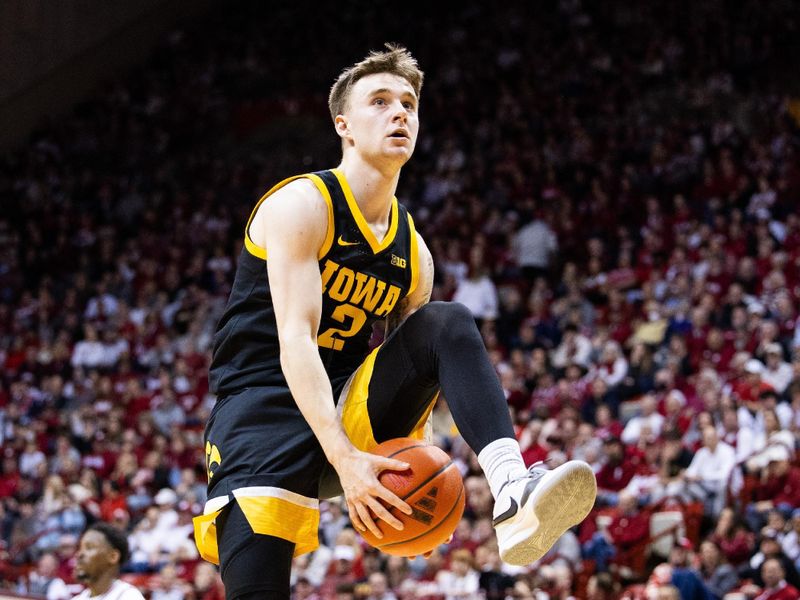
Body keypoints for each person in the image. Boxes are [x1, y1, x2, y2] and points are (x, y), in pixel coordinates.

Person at [192, 45, 596, 599]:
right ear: (344, 126)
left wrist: (419, 480)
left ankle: (511, 491)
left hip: (345, 405)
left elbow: (418, 379)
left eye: (408, 103)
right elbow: (296, 341)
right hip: (261, 412)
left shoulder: (414, 253)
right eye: (379, 102)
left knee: (445, 324)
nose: (399, 112)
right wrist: (346, 463)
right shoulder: (302, 206)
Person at [73, 522, 145, 600]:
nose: (79, 554)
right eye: (80, 548)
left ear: (113, 557)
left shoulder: (129, 596)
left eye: (89, 548)